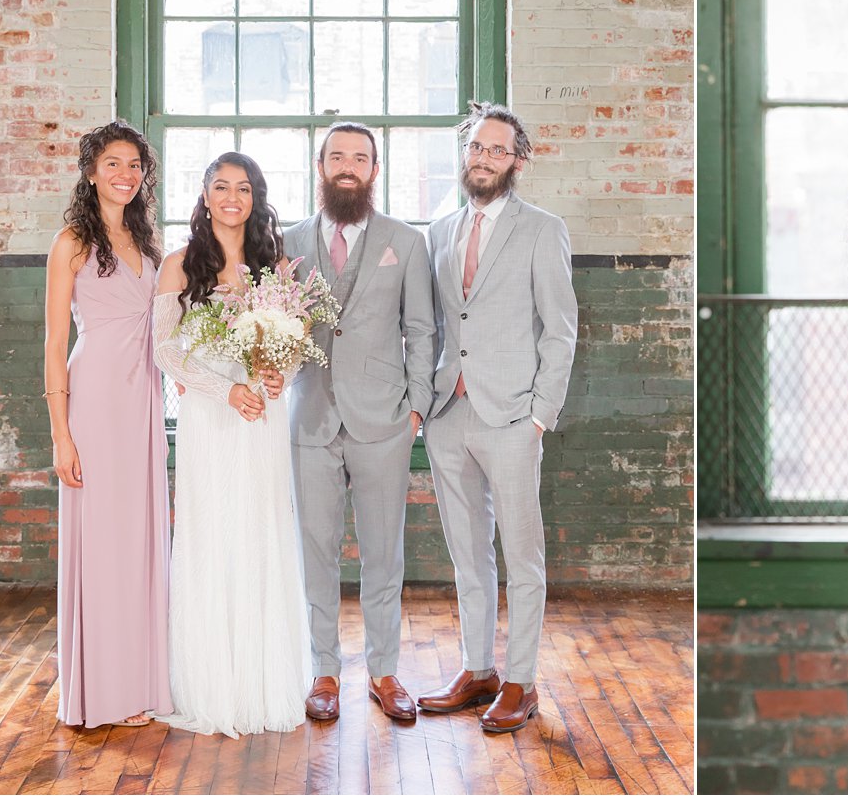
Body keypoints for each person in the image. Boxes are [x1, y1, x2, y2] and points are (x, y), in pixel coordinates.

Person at [417, 102, 578, 733]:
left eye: (497, 150)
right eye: (476, 148)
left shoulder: (542, 229)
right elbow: (434, 325)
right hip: (448, 412)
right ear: (465, 155)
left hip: (513, 416)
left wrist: (540, 414)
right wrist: (426, 405)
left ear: (517, 160)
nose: (484, 158)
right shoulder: (438, 233)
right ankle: (478, 668)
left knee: (522, 553)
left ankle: (520, 681)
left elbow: (560, 330)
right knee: (467, 552)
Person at [151, 151, 310, 737]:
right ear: (205, 195)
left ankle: (263, 681)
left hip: (261, 419)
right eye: (221, 186)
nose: (232, 197)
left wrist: (277, 376)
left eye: (244, 188)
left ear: (256, 197)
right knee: (213, 532)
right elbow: (167, 350)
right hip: (210, 417)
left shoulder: (278, 266)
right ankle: (212, 684)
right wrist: (227, 390)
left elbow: (292, 341)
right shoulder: (177, 265)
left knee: (260, 532)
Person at [283, 122, 436, 723]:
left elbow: (422, 330)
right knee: (315, 549)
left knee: (382, 552)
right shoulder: (286, 241)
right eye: (337, 156)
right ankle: (323, 670)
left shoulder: (406, 241)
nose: (349, 166)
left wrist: (417, 405)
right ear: (320, 166)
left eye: (361, 158)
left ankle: (384, 671)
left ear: (375, 170)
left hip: (385, 419)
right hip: (311, 417)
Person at [44, 120, 172, 729]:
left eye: (134, 165)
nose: (125, 175)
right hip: (93, 396)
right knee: (101, 542)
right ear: (91, 170)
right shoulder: (71, 241)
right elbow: (52, 342)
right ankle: (101, 691)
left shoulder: (150, 242)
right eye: (113, 163)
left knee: (139, 537)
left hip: (144, 394)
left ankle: (140, 682)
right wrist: (60, 433)